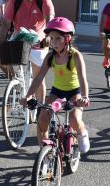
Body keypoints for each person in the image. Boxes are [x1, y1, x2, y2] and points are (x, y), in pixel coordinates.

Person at [20, 17, 90, 152]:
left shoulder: (75, 56)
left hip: (75, 92)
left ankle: (82, 132)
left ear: (68, 38)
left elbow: (82, 78)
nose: (53, 42)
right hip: (57, 91)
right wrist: (28, 96)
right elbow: (39, 78)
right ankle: (45, 152)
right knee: (42, 118)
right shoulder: (50, 57)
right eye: (51, 38)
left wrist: (85, 97)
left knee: (74, 119)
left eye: (58, 38)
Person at [0, 0, 55, 102]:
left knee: (38, 78)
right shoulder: (15, 1)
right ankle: (16, 81)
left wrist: (49, 37)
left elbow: (50, 19)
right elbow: (6, 24)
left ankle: (40, 109)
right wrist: (0, 42)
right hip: (19, 39)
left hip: (39, 42)